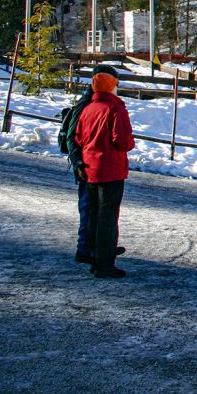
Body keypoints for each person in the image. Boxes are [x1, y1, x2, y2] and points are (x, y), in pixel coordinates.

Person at [58, 64, 125, 265]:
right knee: (90, 207)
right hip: (87, 165)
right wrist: (77, 161)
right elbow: (72, 136)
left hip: (88, 163)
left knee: (95, 208)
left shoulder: (94, 101)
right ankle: (86, 248)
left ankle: (99, 246)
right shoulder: (87, 103)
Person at [75, 66, 135, 279]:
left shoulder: (88, 108)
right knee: (108, 216)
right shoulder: (115, 109)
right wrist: (130, 143)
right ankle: (105, 263)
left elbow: (79, 138)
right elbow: (122, 140)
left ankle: (93, 255)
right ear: (112, 86)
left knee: (94, 214)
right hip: (110, 168)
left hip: (90, 168)